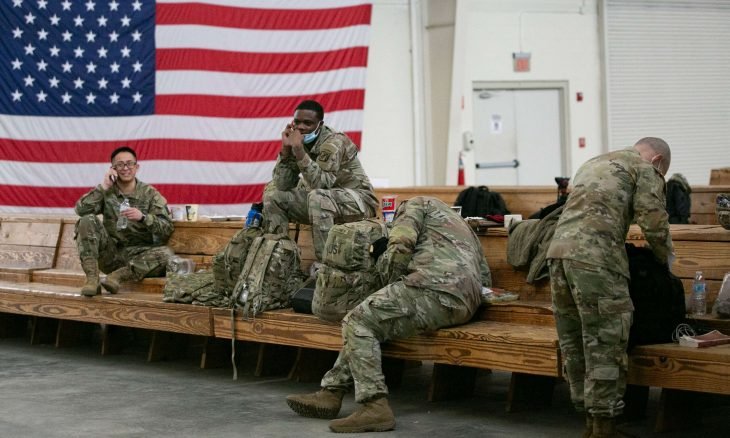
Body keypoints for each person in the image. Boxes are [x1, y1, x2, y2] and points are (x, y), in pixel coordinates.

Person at [286, 196, 492, 433]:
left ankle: (374, 406)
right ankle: (331, 391)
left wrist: (381, 262)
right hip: (465, 304)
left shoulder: (413, 205)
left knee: (357, 321)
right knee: (374, 318)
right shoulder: (461, 225)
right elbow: (485, 276)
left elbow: (400, 248)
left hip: (430, 289)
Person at [546, 137, 674, 438]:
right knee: (605, 340)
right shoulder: (644, 168)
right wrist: (666, 261)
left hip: (558, 256)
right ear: (657, 161)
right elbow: (653, 220)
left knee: (575, 341)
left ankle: (589, 424)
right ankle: (604, 428)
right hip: (597, 261)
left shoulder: (593, 162)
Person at [263, 100, 378, 262]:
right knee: (274, 196)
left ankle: (326, 266)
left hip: (359, 201)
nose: (301, 127)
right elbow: (283, 184)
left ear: (320, 124)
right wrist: (286, 150)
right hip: (325, 203)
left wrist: (299, 151)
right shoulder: (299, 142)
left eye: (308, 123)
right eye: (297, 122)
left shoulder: (334, 142)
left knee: (318, 197)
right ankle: (279, 262)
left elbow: (321, 185)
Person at [75, 146, 174, 296]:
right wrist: (104, 186)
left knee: (167, 253)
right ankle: (92, 280)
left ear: (136, 167)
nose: (125, 168)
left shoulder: (150, 194)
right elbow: (81, 210)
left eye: (129, 164)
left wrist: (144, 218)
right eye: (120, 165)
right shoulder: (107, 191)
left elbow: (167, 228)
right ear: (113, 169)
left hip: (138, 258)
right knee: (87, 219)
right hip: (111, 255)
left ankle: (117, 277)